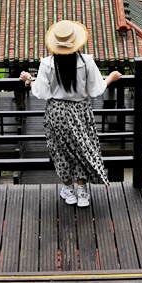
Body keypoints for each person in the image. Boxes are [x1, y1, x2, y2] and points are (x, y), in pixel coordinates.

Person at [19, 20, 122, 208]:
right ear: (77, 42)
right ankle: (82, 191)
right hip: (80, 110)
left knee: (61, 151)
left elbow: (42, 92)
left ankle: (68, 189)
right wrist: (110, 79)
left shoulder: (47, 64)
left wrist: (28, 80)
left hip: (56, 112)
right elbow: (96, 89)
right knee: (80, 149)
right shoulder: (86, 62)